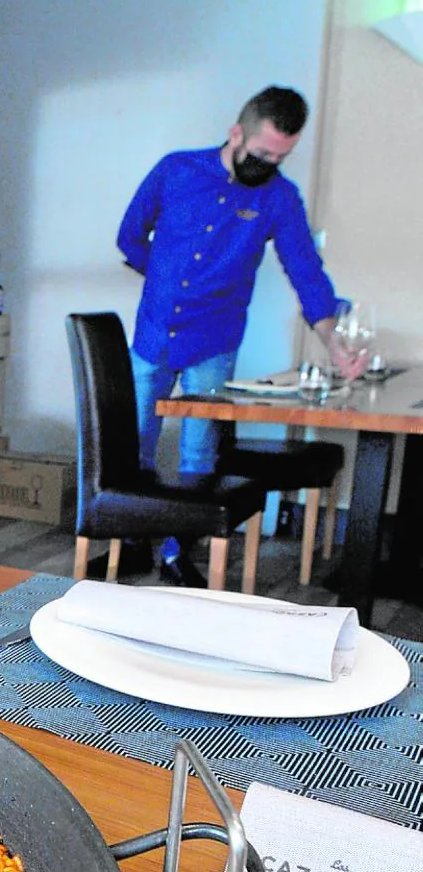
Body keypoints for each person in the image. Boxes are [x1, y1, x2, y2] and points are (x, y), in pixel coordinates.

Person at [113, 86, 364, 584]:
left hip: (216, 340)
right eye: (262, 153)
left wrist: (334, 341)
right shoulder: (176, 170)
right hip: (153, 333)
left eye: (280, 157)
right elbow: (130, 236)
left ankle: (176, 553)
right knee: (135, 447)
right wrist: (163, 280)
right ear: (236, 133)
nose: (268, 164)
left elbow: (307, 274)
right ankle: (143, 548)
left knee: (199, 454)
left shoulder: (279, 197)